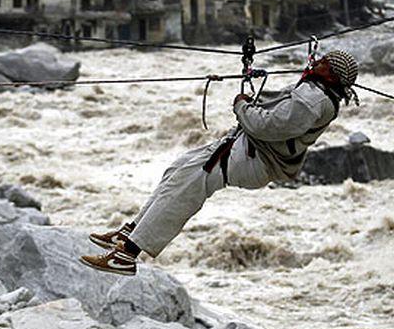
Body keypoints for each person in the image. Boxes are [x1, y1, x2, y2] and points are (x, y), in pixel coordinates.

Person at [79, 49, 359, 275]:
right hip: (245, 148)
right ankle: (130, 232)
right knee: (178, 170)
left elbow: (267, 126)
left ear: (332, 76)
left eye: (324, 62)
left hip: (253, 157)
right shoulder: (316, 91)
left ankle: (127, 255)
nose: (318, 62)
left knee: (187, 186)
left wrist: (241, 105)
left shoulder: (313, 100)